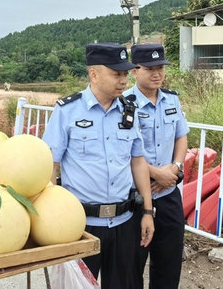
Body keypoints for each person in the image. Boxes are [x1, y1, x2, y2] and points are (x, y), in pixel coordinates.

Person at [42, 42, 155, 289]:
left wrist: (148, 212)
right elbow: (51, 165)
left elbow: (138, 162)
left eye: (125, 74)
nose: (123, 80)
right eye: (116, 74)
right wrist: (51, 220)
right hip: (80, 226)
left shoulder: (129, 111)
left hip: (124, 222)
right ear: (94, 74)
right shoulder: (67, 111)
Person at [124, 43, 188, 288]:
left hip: (168, 193)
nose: (157, 73)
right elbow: (124, 150)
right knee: (132, 263)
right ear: (134, 71)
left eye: (160, 67)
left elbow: (181, 136)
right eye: (150, 68)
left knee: (169, 262)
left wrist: (175, 167)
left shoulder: (172, 99)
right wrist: (156, 174)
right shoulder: (124, 103)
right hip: (137, 197)